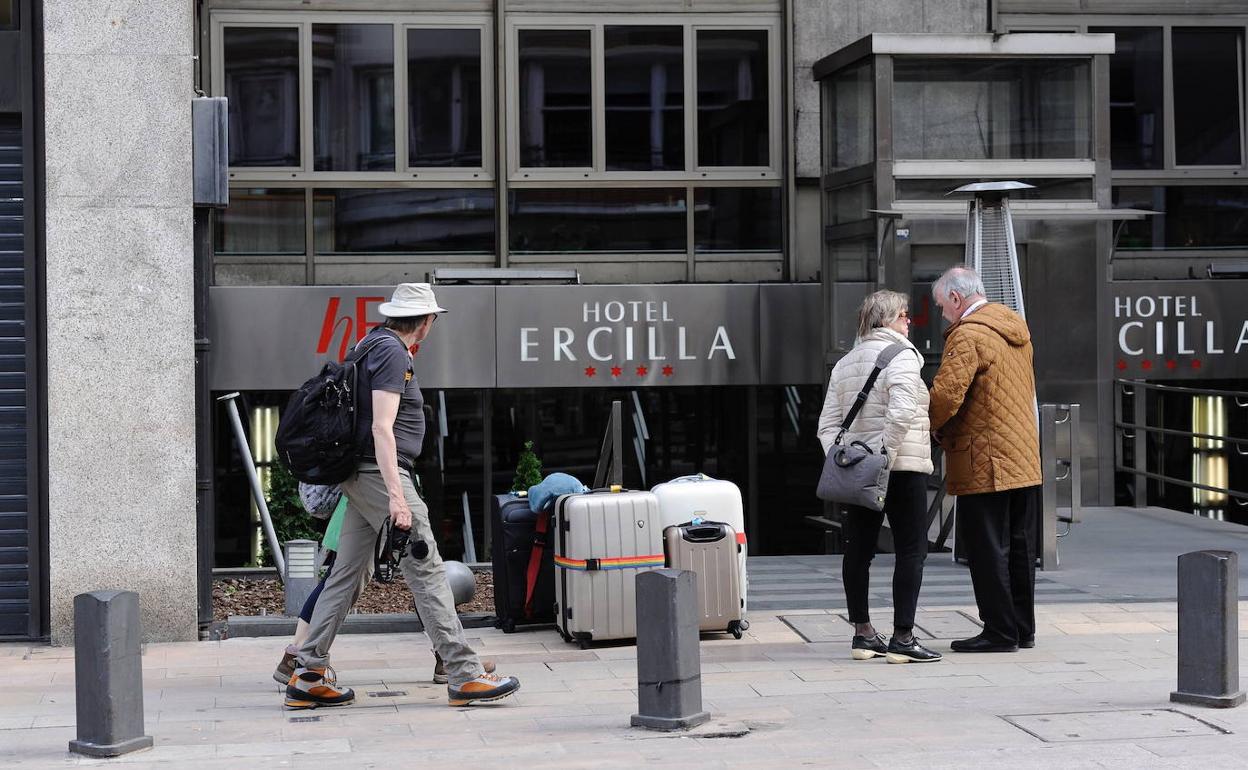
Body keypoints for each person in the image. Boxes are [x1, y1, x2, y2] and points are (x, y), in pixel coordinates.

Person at [285, 283, 520, 708]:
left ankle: (308, 671)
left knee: (346, 575)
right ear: (427, 322)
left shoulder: (368, 343)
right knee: (425, 565)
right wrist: (396, 497)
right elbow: (381, 427)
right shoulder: (392, 352)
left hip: (360, 475)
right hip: (380, 475)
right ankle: (464, 674)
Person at [817, 290, 942, 664]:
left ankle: (863, 634)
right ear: (887, 320)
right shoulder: (902, 355)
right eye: (904, 315)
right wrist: (884, 456)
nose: (909, 322)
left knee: (858, 549)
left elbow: (827, 426)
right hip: (901, 468)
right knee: (911, 550)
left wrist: (847, 460)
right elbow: (903, 411)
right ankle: (903, 638)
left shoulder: (845, 362)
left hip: (858, 472)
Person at [928, 266, 1042, 653]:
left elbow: (945, 396)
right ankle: (1022, 629)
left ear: (957, 299)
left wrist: (931, 427)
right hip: (1024, 455)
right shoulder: (1016, 329)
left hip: (985, 459)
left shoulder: (968, 335)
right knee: (1020, 545)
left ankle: (998, 630)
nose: (942, 313)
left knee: (988, 546)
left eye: (942, 306)